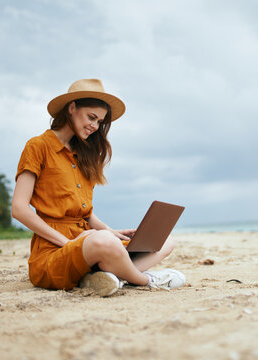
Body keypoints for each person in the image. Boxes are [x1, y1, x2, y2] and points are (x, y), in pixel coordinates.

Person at [11, 78, 185, 296]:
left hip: (88, 242)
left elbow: (85, 212)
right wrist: (69, 243)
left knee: (165, 241)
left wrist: (111, 232)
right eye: (91, 117)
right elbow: (19, 209)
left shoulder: (84, 155)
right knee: (101, 240)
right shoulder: (37, 146)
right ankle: (145, 280)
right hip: (54, 253)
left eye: (100, 122)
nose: (95, 126)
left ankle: (103, 277)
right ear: (72, 108)